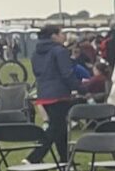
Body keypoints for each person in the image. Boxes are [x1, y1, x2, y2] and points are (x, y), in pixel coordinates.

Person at [28, 23, 80, 162]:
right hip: (59, 94)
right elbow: (66, 73)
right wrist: (80, 88)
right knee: (55, 128)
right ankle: (34, 157)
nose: (64, 36)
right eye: (61, 33)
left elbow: (37, 72)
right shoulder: (59, 51)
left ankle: (65, 160)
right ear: (54, 36)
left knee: (60, 128)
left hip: (44, 93)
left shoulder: (36, 52)